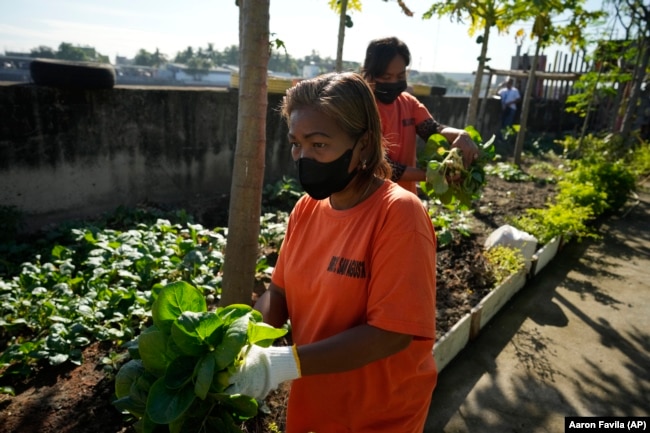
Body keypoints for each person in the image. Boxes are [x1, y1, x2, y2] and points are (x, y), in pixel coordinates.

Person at [229, 72, 437, 433]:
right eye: (297, 143)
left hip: (377, 415)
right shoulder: (306, 209)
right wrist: (247, 346)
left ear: (364, 144)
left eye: (319, 144)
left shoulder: (399, 214)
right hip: (315, 400)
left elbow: (391, 332)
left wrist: (280, 364)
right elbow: (278, 292)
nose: (303, 157)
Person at [362, 36, 479, 195]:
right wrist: (434, 175)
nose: (394, 82)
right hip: (371, 202)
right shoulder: (361, 109)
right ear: (369, 74)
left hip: (405, 199)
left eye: (401, 76)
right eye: (386, 77)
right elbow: (379, 166)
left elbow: (432, 130)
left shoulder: (408, 103)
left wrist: (460, 135)